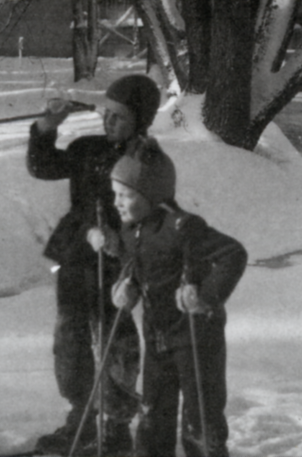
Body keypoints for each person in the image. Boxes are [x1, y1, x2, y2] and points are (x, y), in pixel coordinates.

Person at [27, 74, 162, 456]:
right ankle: (82, 420)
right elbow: (42, 166)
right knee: (70, 341)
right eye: (107, 113)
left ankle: (115, 428)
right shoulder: (87, 148)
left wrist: (121, 239)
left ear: (141, 120)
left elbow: (153, 216)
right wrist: (47, 127)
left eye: (120, 116)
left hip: (116, 266)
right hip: (75, 257)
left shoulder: (147, 161)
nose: (109, 121)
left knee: (114, 345)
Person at [88, 138, 247, 457]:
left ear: (151, 194)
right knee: (154, 413)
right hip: (158, 335)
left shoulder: (182, 227)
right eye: (115, 194)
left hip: (196, 336)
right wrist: (128, 286)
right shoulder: (133, 229)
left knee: (200, 416)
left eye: (126, 195)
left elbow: (233, 254)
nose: (117, 203)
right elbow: (137, 265)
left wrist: (205, 296)